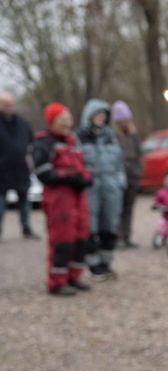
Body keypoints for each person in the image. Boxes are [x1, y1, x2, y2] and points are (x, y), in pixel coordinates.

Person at [33, 103, 92, 295]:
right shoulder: (44, 142)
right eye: (62, 119)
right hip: (59, 197)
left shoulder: (73, 141)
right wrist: (68, 176)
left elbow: (82, 165)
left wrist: (86, 177)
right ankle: (57, 281)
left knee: (81, 236)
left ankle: (74, 276)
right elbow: (43, 172)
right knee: (62, 238)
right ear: (52, 122)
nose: (67, 123)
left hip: (77, 195)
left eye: (68, 119)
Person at [77, 98, 126, 280]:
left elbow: (120, 162)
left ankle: (106, 262)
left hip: (111, 187)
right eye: (97, 114)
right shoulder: (81, 137)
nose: (101, 118)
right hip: (91, 188)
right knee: (91, 226)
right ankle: (93, 264)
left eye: (104, 115)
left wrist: (121, 182)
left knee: (110, 224)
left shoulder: (110, 137)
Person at [0, 91, 38, 240]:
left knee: (25, 202)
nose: (9, 107)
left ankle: (26, 228)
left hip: (21, 169)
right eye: (6, 104)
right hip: (2, 171)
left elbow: (30, 141)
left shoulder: (22, 122)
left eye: (11, 104)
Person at [111, 101, 142, 249]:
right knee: (118, 208)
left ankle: (127, 237)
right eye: (121, 121)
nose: (125, 123)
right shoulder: (113, 136)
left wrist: (138, 170)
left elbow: (139, 154)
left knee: (129, 208)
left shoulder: (133, 135)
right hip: (119, 175)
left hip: (132, 175)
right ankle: (118, 237)